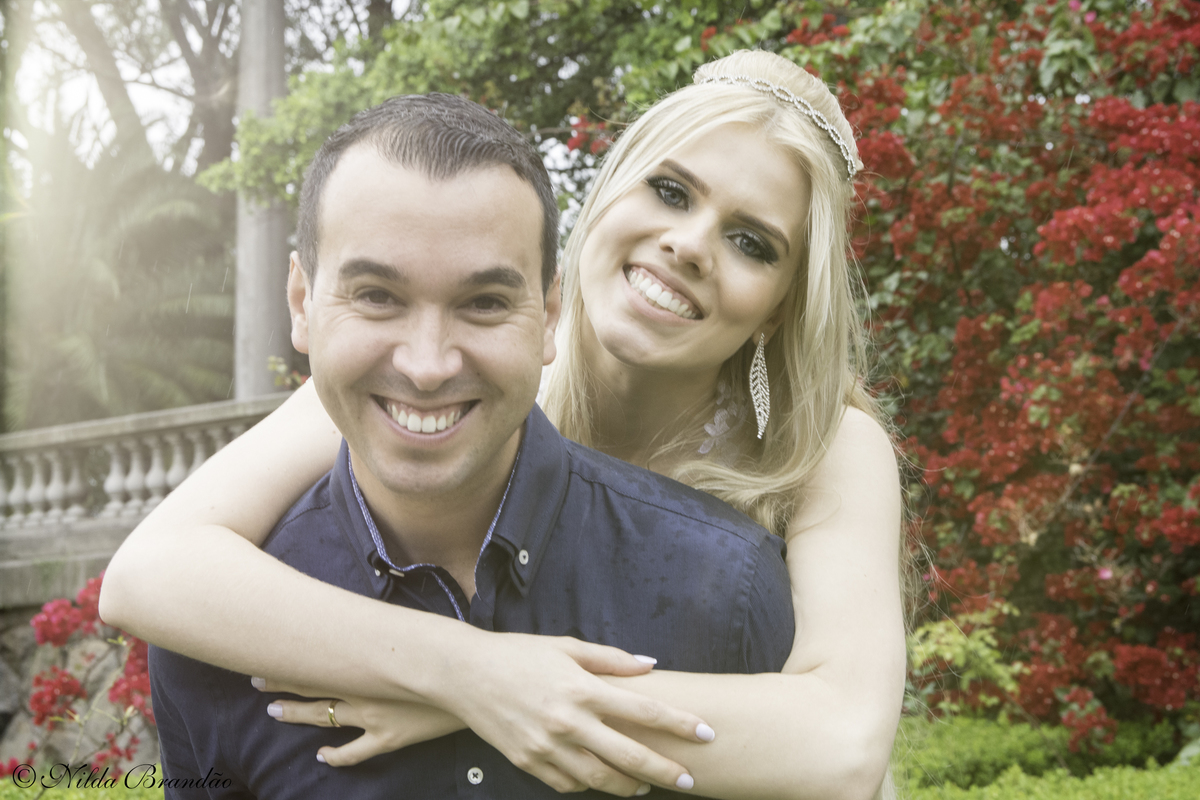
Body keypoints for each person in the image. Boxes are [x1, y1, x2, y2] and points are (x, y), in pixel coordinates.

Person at [100, 50, 906, 800]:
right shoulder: (453, 373)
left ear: (779, 308)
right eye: (670, 191)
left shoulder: (825, 446)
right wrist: (467, 674)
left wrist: (502, 699)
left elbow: (841, 744)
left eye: (750, 242)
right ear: (608, 192)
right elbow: (155, 572)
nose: (689, 243)